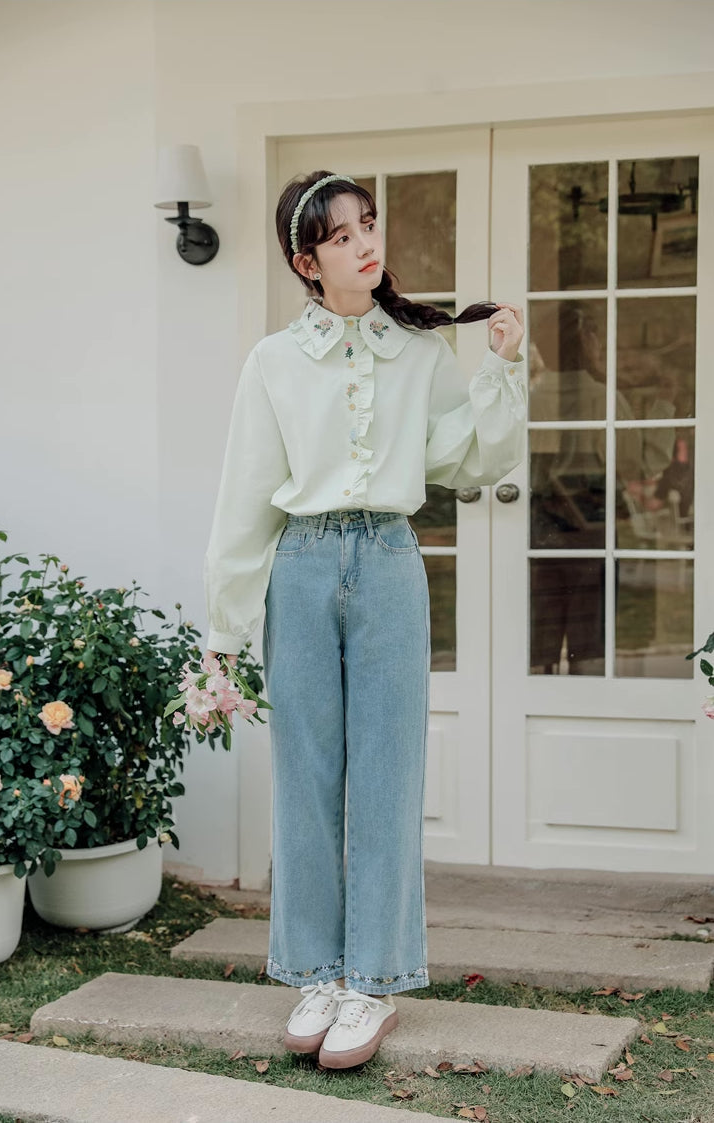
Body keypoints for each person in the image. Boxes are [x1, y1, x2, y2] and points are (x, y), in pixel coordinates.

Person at [203, 170, 526, 1069]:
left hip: (387, 561)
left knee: (385, 772)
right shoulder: (272, 362)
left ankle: (374, 981)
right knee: (306, 777)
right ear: (307, 262)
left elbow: (470, 460)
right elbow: (243, 503)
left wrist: (501, 365)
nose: (364, 244)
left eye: (369, 226)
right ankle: (315, 967)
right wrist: (222, 633)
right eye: (342, 237)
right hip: (300, 568)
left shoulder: (420, 354)